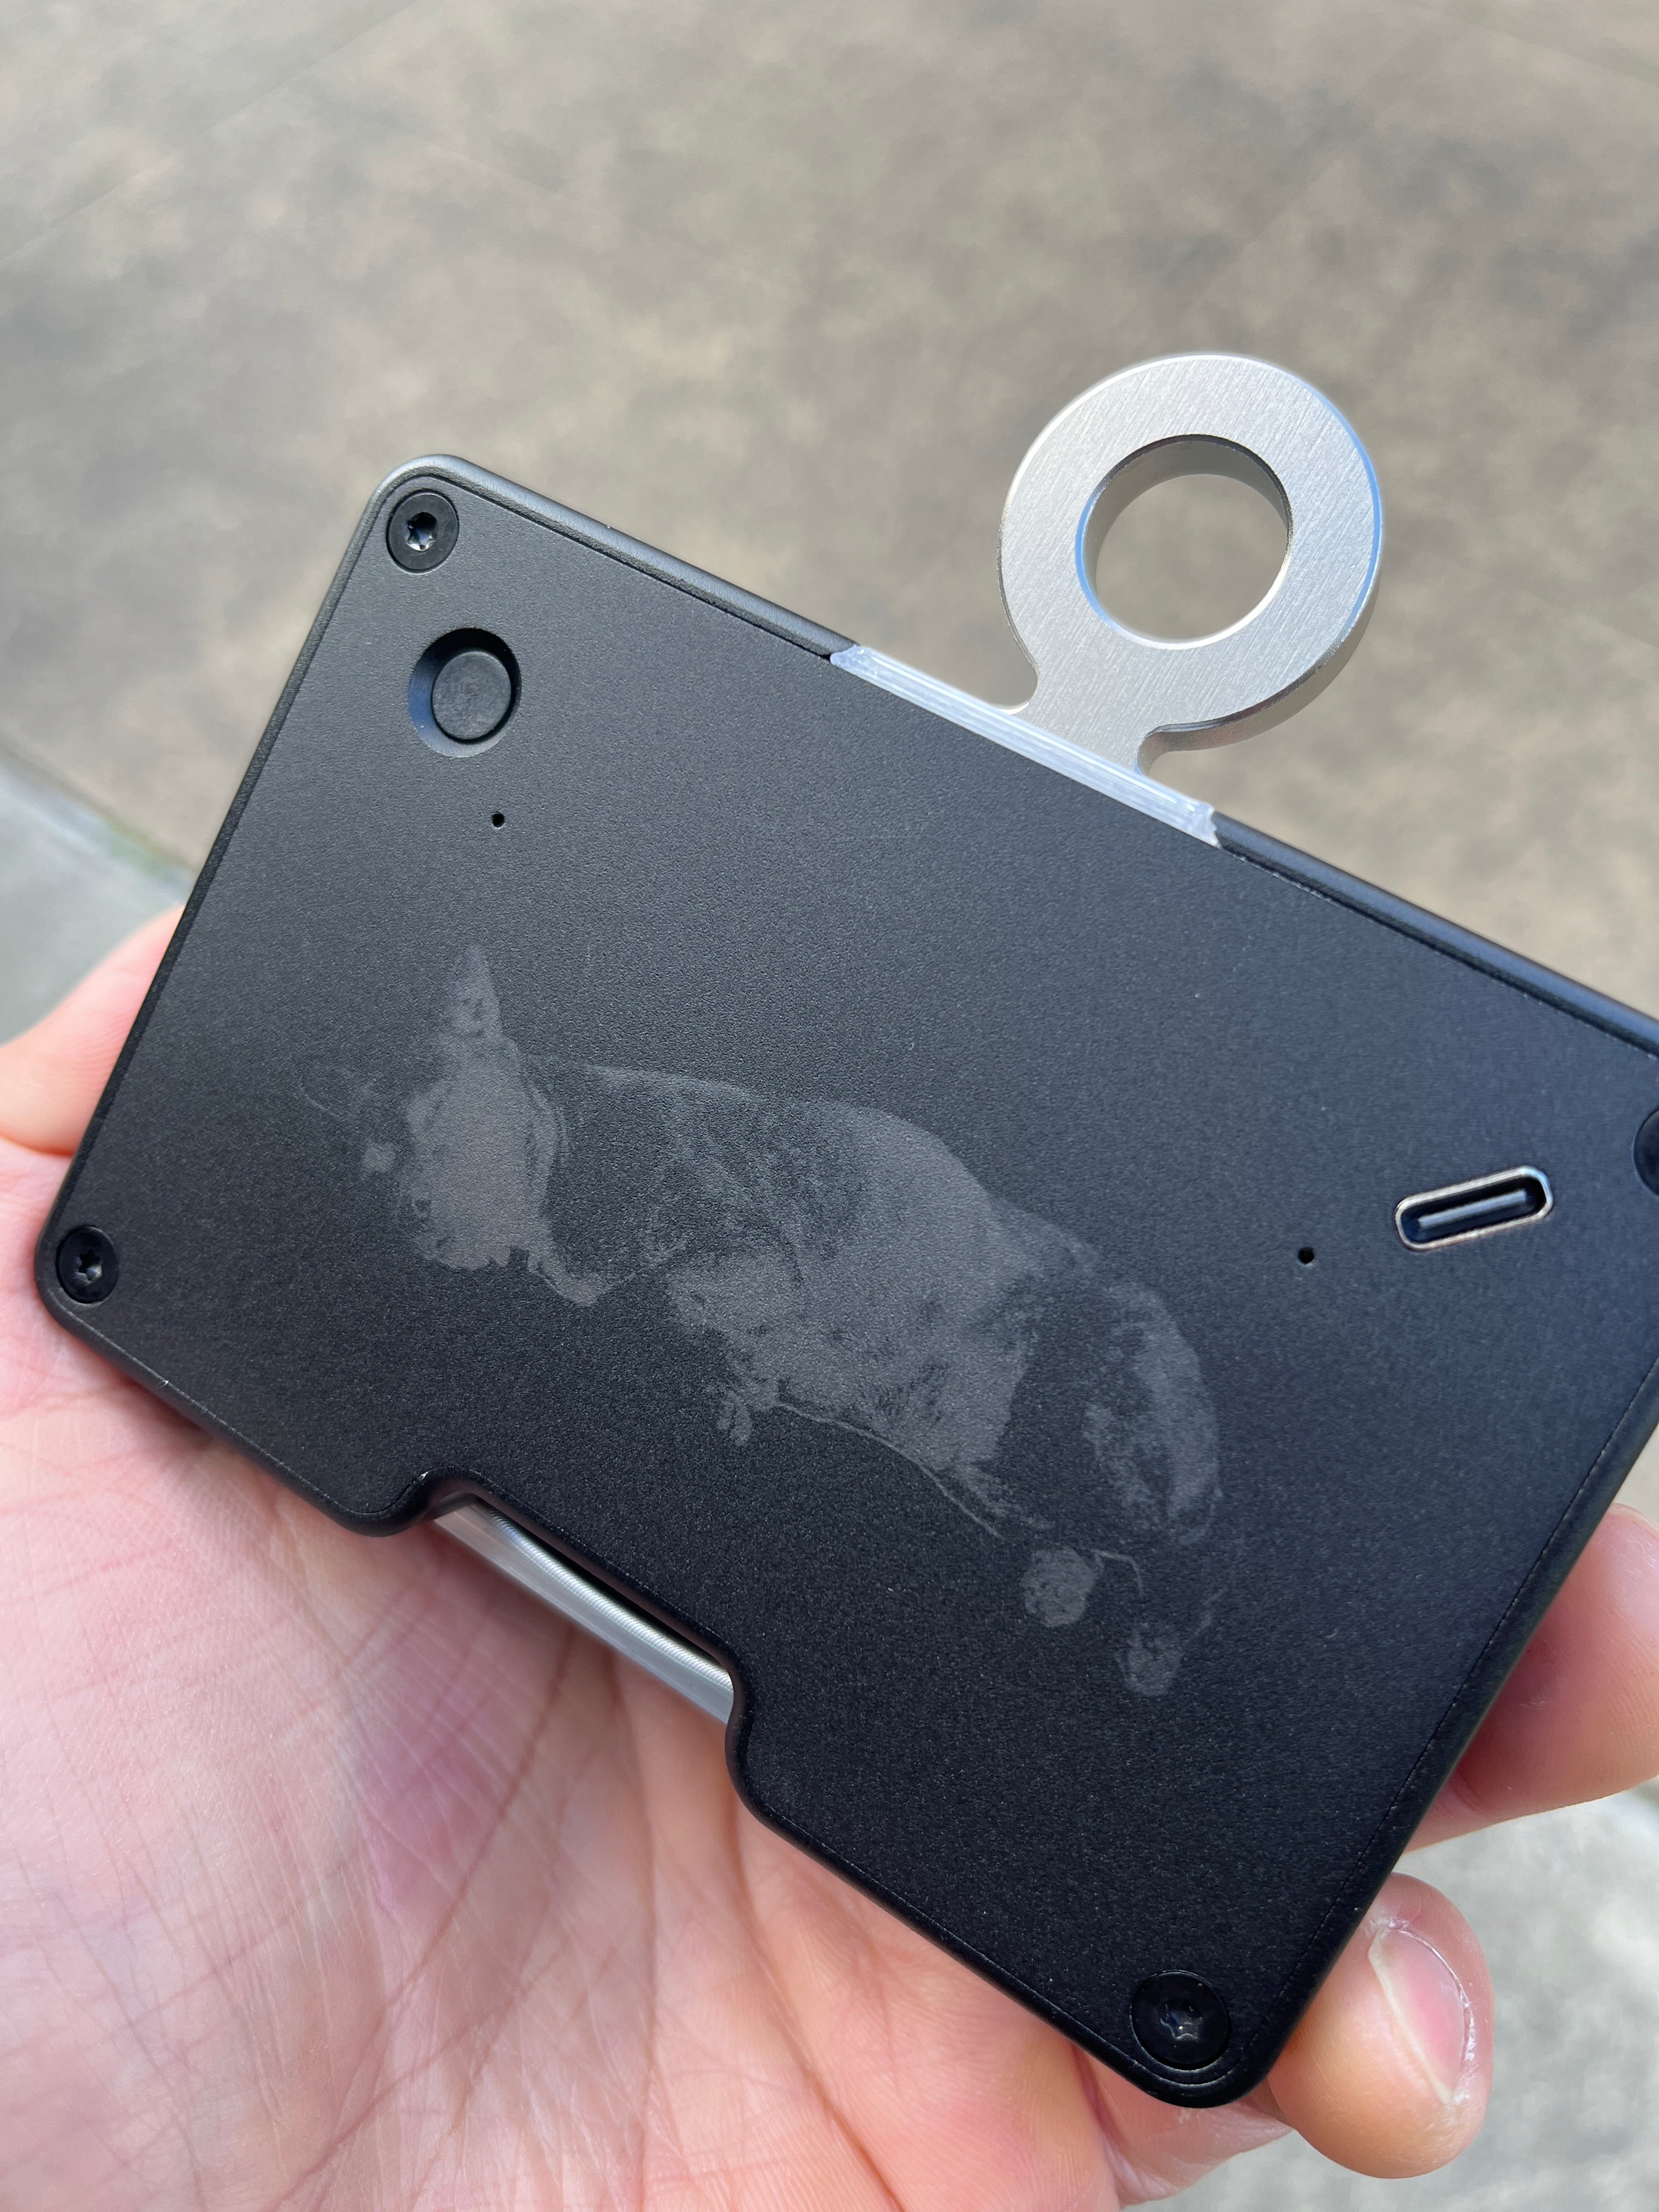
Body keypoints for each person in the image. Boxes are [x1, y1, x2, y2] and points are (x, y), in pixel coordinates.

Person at [4, 912, 1658, 2210]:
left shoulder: (663, 1164)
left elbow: (811, 1251)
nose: (395, 1175)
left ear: (491, 1066)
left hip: (1012, 1359)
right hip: (915, 1418)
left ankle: (1155, 1572)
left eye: (415, 1132)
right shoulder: (581, 1190)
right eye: (381, 1149)